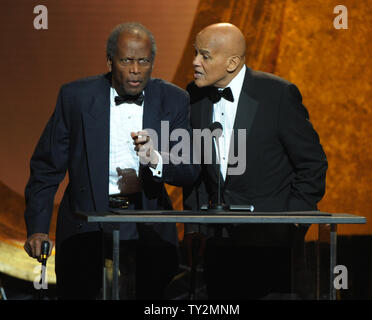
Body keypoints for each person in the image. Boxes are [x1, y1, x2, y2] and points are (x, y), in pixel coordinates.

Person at [23, 22, 199, 300]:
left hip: (148, 226)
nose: (135, 70)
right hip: (86, 224)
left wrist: (156, 160)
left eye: (143, 61)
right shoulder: (76, 97)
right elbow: (46, 168)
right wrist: (37, 229)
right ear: (109, 61)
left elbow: (189, 170)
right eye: (126, 60)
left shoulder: (174, 100)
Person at [183, 23, 328, 299]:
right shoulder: (194, 96)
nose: (195, 62)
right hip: (218, 243)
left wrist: (294, 221)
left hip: (272, 243)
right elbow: (197, 169)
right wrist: (194, 225)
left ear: (232, 62)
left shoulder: (278, 95)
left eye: (204, 55)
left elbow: (312, 163)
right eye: (195, 53)